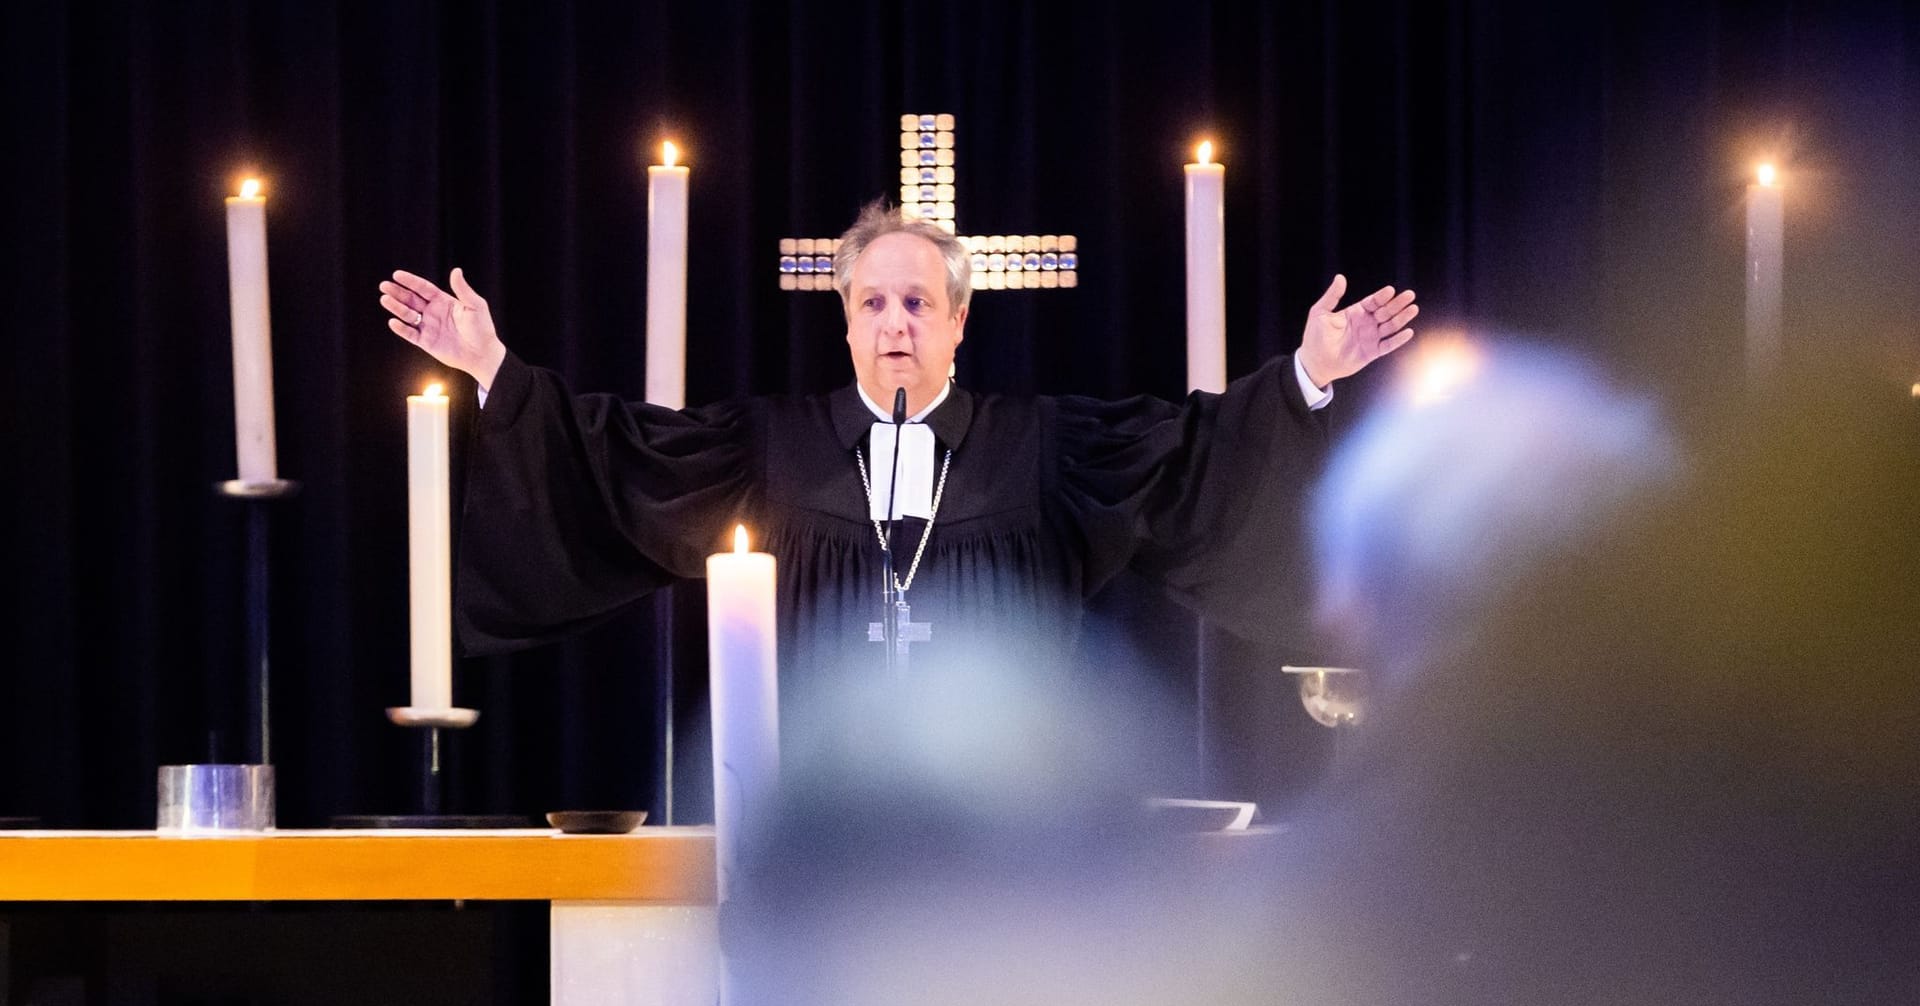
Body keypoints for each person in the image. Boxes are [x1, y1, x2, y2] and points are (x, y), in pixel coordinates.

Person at [376, 202, 1417, 758]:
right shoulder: (770, 451)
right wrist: (492, 371)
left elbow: (1200, 460)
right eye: (873, 304)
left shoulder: (1047, 447)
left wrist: (1308, 378)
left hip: (1014, 833)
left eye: (919, 303)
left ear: (961, 321)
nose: (897, 324)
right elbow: (615, 462)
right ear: (845, 321)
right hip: (818, 822)